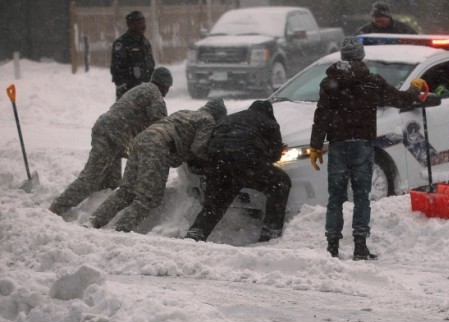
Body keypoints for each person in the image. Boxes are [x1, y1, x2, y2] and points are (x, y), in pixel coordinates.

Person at [309, 37, 426, 260]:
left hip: (338, 145)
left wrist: (315, 146)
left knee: (335, 198)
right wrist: (414, 89)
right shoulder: (371, 81)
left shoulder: (329, 82)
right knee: (361, 196)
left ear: (342, 56)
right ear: (362, 56)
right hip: (362, 144)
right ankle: (360, 246)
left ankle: (332, 247)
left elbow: (321, 115)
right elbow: (399, 100)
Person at [88, 98, 227, 232]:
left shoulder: (184, 112)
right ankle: (120, 229)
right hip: (159, 146)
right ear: (218, 116)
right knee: (149, 197)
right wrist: (212, 160)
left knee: (126, 190)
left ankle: (94, 221)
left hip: (141, 139)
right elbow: (198, 149)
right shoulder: (207, 121)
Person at [49, 67, 173, 217]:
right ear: (164, 85)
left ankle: (92, 210)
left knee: (111, 183)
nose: (166, 93)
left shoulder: (141, 88)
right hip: (112, 136)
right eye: (167, 88)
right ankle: (56, 209)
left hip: (111, 133)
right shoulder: (155, 96)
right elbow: (159, 126)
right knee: (91, 177)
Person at [185, 100, 291, 243]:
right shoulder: (270, 123)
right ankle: (271, 231)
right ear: (269, 113)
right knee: (281, 182)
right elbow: (275, 156)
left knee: (215, 204)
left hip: (218, 162)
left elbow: (212, 142)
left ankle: (196, 233)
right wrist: (274, 150)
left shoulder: (226, 119)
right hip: (246, 161)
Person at [111, 10, 155, 99]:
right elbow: (116, 68)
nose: (144, 26)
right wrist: (124, 87)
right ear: (131, 25)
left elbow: (150, 65)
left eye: (144, 22)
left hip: (144, 91)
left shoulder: (145, 43)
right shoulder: (122, 43)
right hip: (128, 92)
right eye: (140, 23)